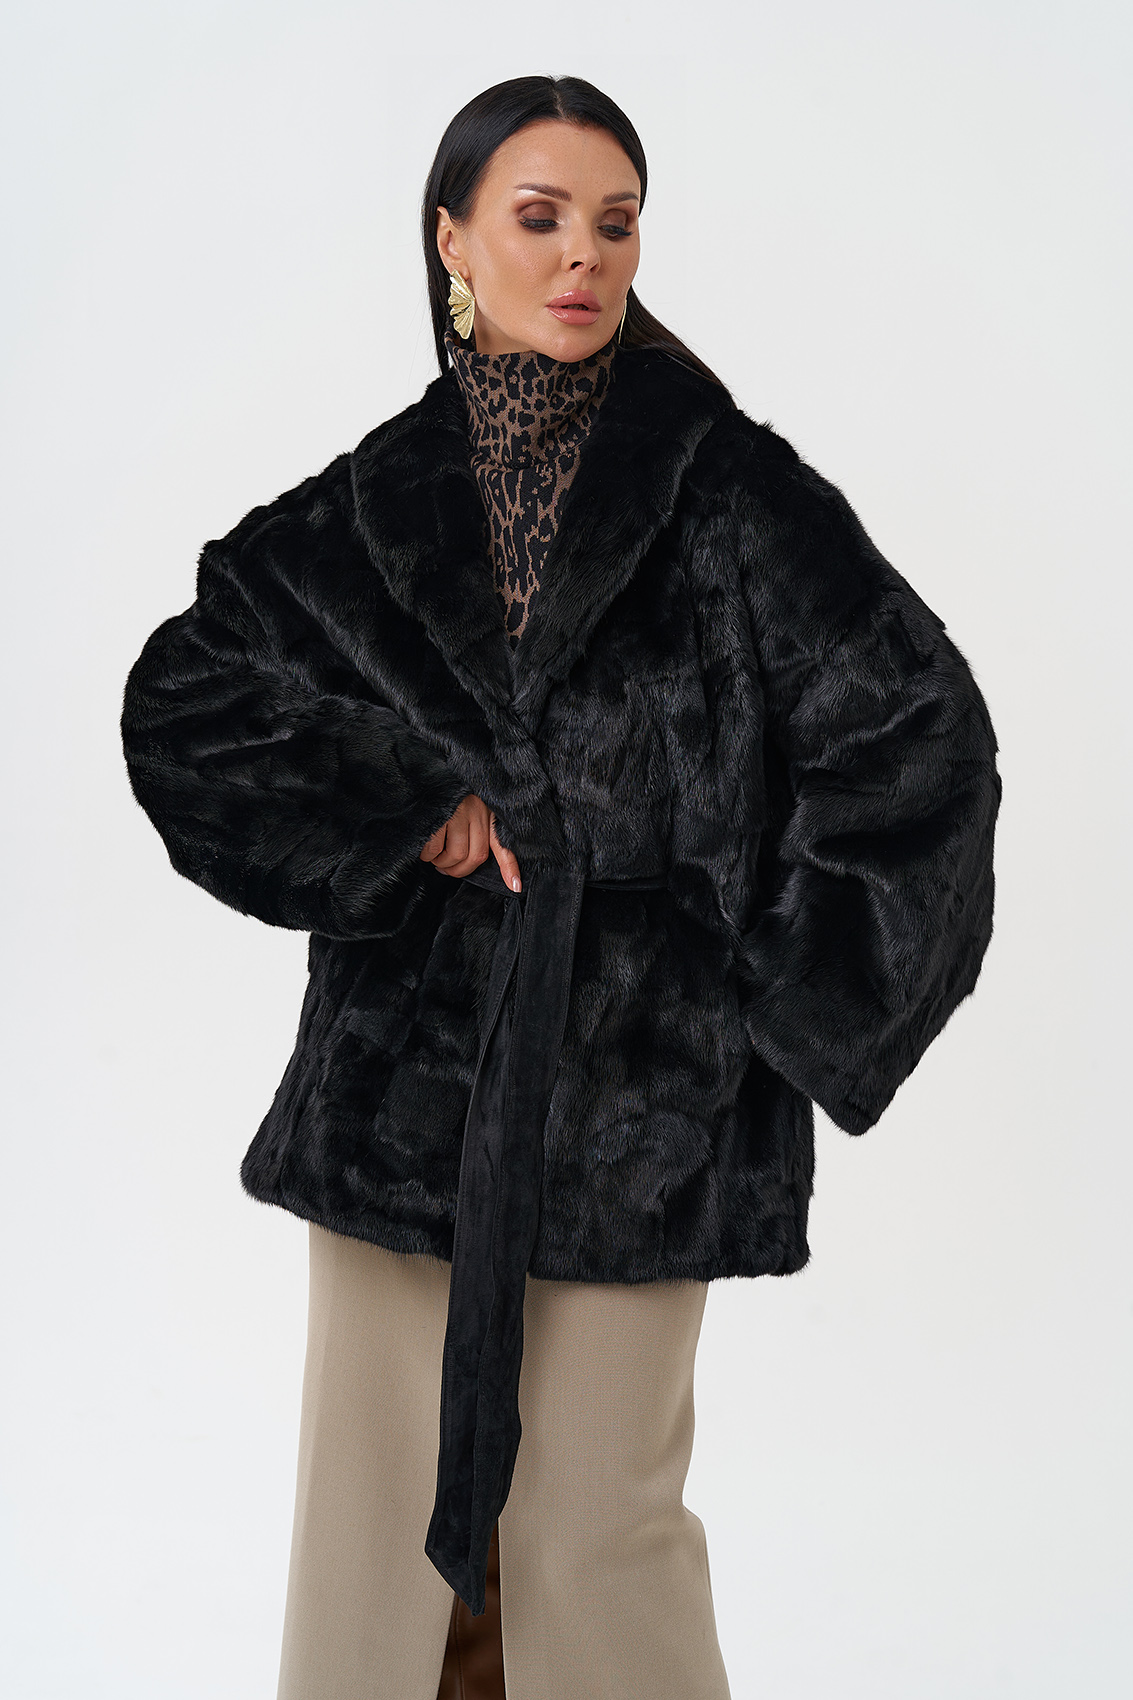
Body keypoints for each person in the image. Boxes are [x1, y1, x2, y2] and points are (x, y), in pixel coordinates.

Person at [119, 73, 1001, 1700]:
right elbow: (191, 696)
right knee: (379, 1522)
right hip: (404, 1099)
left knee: (595, 1527)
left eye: (615, 222)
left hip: (642, 1098)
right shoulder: (372, 503)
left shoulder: (728, 492)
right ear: (453, 241)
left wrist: (771, 1014)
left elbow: (915, 740)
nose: (583, 254)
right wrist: (409, 809)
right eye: (539, 218)